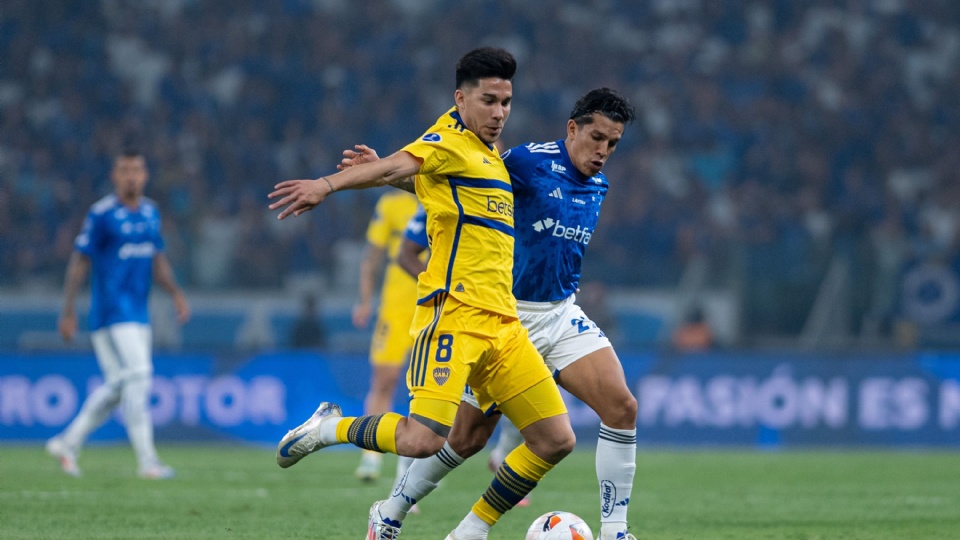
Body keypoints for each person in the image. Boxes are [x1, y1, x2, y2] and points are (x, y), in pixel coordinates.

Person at [269, 47, 576, 540]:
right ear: (461, 99)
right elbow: (396, 166)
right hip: (455, 315)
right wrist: (327, 185)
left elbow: (437, 186)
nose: (499, 112)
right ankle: (326, 429)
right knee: (423, 440)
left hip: (503, 325)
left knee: (555, 439)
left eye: (506, 102)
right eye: (488, 101)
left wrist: (401, 178)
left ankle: (470, 531)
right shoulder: (449, 138)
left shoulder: (485, 154)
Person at [368, 88, 639, 540]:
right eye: (596, 138)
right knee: (466, 439)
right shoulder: (528, 163)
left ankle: (614, 530)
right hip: (503, 317)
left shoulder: (599, 184)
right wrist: (386, 174)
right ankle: (391, 509)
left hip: (560, 314)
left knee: (622, 407)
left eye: (612, 143)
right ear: (572, 129)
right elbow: (462, 183)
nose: (603, 151)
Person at [46, 149, 191, 479]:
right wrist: (68, 310)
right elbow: (79, 261)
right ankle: (148, 462)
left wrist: (176, 293)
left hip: (139, 311)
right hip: (111, 310)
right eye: (125, 170)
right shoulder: (102, 214)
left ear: (145, 175)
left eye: (137, 170)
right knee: (139, 374)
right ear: (115, 176)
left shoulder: (151, 212)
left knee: (119, 386)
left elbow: (157, 259)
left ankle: (67, 443)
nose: (131, 176)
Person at [351, 189, 419, 483]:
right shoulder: (392, 204)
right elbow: (372, 256)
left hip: (435, 303)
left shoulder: (449, 195)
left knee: (430, 385)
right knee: (385, 380)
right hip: (395, 307)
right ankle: (371, 453)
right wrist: (364, 300)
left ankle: (425, 459)